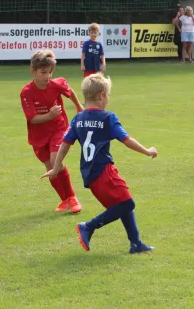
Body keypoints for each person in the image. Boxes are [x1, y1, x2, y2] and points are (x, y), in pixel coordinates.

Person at [41, 73, 157, 254]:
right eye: (108, 95)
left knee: (122, 202)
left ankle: (136, 243)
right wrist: (147, 151)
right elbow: (126, 140)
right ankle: (88, 226)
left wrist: (56, 168)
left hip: (89, 174)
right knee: (127, 204)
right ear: (101, 95)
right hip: (104, 171)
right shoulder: (107, 117)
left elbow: (64, 145)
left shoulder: (78, 119)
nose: (108, 99)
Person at [20, 50, 84, 212]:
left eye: (50, 72)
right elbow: (33, 118)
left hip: (58, 128)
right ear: (33, 72)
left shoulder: (57, 84)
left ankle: (73, 199)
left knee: (56, 161)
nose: (47, 76)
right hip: (39, 135)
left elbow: (70, 92)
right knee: (52, 171)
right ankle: (65, 200)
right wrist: (49, 114)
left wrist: (78, 107)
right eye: (43, 72)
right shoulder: (27, 92)